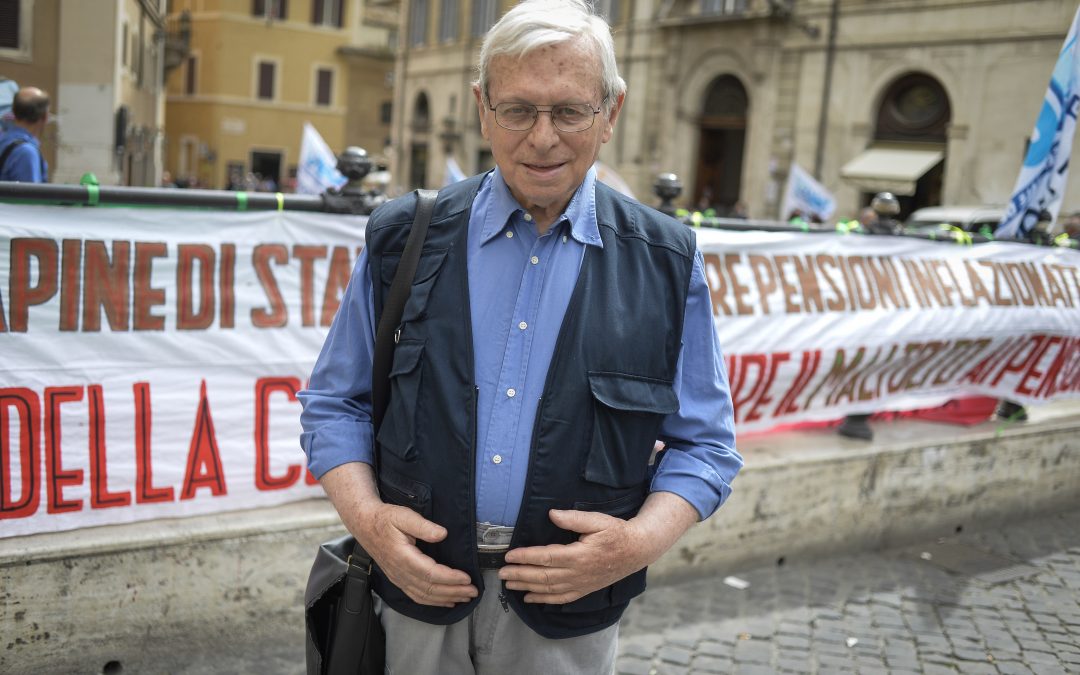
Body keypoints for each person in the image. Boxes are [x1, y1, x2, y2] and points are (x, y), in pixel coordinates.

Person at [298, 1, 742, 673]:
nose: (542, 138)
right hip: (412, 598)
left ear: (611, 113)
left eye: (568, 111)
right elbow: (336, 405)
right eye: (517, 110)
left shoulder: (665, 261)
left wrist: (635, 543)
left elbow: (705, 445)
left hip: (570, 619)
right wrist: (371, 524)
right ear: (483, 108)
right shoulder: (400, 239)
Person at [0, 87, 50, 183]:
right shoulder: (26, 153)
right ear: (45, 117)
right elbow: (31, 196)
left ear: (14, 112)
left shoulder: (3, 141)